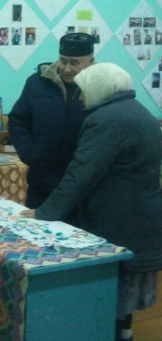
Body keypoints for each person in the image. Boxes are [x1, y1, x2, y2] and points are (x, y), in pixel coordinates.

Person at [19, 63, 162, 341]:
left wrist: (43, 213)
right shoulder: (139, 112)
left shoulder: (106, 120)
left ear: (99, 88)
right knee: (125, 293)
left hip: (119, 219)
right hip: (141, 217)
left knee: (112, 289)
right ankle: (123, 332)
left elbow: (80, 176)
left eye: (84, 91)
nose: (82, 98)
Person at [9, 33, 95, 213]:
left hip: (85, 189)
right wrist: (30, 154)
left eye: (74, 63)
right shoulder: (37, 83)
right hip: (41, 184)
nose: (67, 68)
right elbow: (18, 121)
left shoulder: (101, 87)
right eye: (63, 61)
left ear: (90, 61)